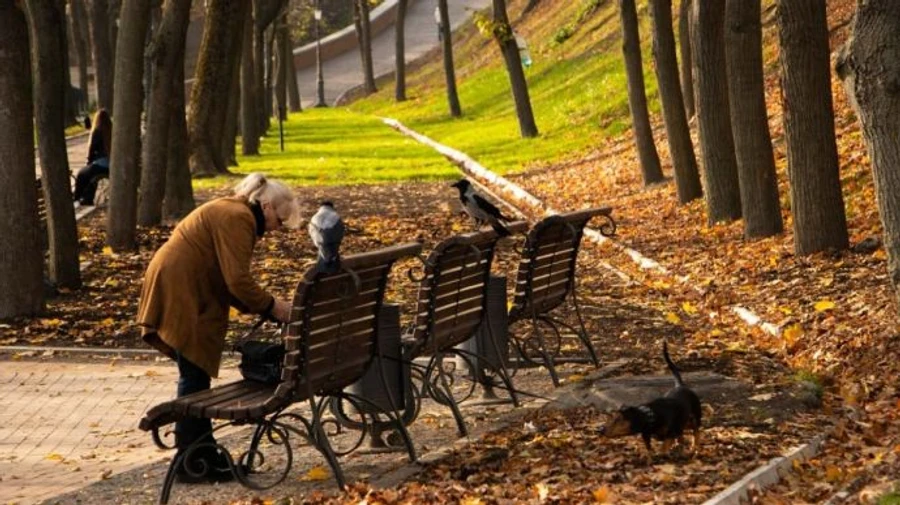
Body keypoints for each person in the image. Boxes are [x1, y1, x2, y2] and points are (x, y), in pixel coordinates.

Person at [137, 173, 301, 483]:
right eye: (279, 221)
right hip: (182, 289)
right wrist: (273, 307)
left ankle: (201, 455)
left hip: (187, 286)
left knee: (195, 373)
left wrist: (261, 305)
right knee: (193, 373)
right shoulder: (239, 218)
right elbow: (237, 280)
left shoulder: (235, 211)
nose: (276, 229)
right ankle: (192, 461)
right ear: (266, 206)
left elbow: (229, 277)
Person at [72, 108, 112, 206]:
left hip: (100, 164)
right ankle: (86, 197)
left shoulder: (97, 132)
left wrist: (88, 162)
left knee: (81, 174)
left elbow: (91, 150)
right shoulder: (112, 132)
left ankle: (77, 198)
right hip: (110, 165)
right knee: (90, 175)